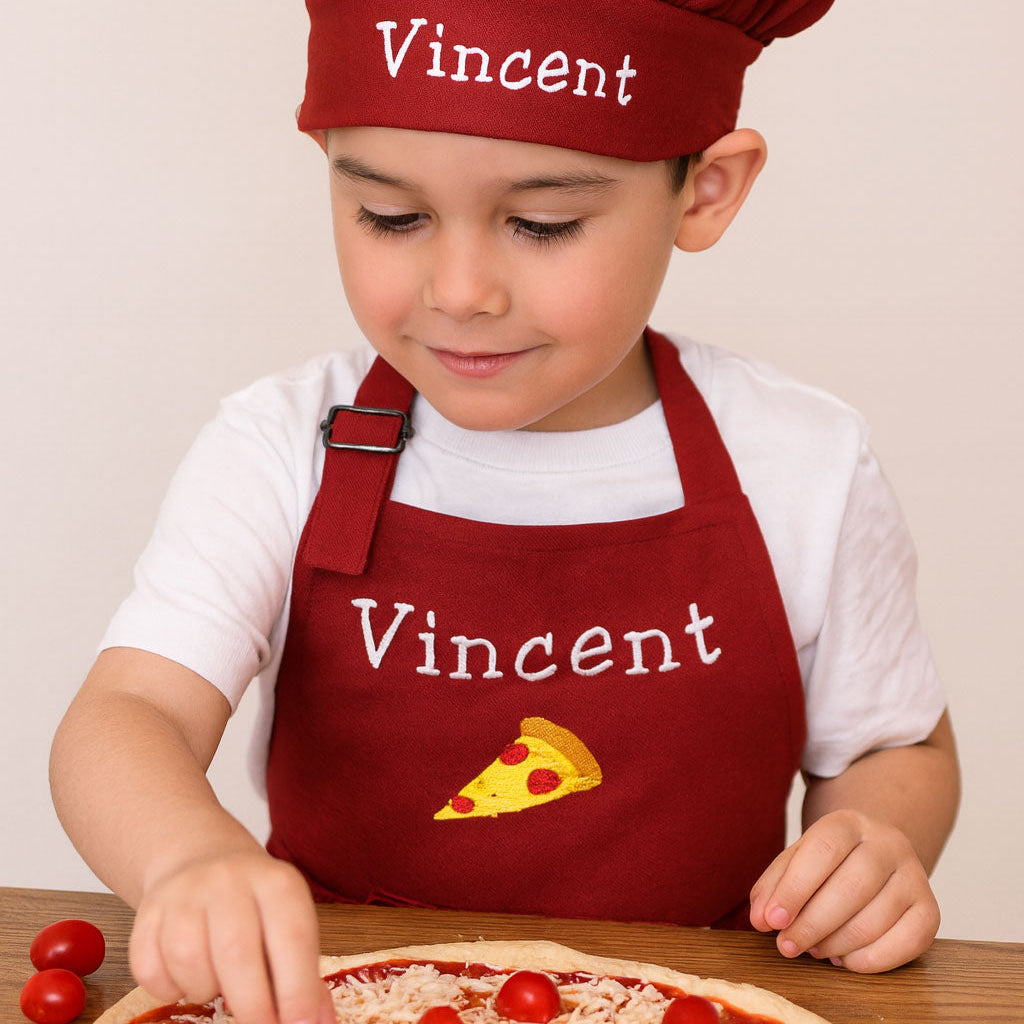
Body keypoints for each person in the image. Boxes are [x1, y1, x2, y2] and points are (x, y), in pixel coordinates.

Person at [49, 2, 960, 1023]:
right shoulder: (281, 445)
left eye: (542, 223)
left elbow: (895, 749)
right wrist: (187, 855)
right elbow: (126, 717)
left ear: (703, 191)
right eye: (392, 217)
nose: (461, 288)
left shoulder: (803, 461)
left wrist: (876, 844)